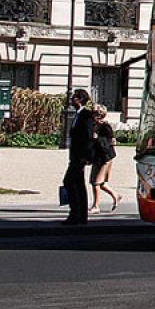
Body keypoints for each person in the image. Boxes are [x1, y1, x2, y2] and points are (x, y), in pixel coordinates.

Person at [62, 89, 95, 226]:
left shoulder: (86, 115)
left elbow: (88, 137)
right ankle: (78, 215)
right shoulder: (77, 114)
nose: (71, 99)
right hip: (75, 156)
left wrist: (86, 156)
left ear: (80, 100)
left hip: (80, 157)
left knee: (70, 182)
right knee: (77, 184)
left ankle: (77, 213)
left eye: (74, 97)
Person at [88, 105, 120, 212]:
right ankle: (116, 195)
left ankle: (96, 206)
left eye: (95, 115)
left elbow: (110, 143)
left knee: (96, 182)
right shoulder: (93, 126)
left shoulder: (106, 127)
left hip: (105, 158)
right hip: (98, 157)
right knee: (101, 183)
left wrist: (97, 139)